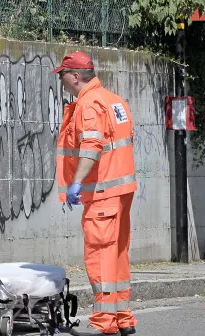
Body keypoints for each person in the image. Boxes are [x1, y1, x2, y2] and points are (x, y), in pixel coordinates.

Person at [52, 52, 137, 336]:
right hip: (121, 191)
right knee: (117, 254)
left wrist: (76, 183)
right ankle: (122, 317)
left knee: (100, 256)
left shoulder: (89, 104)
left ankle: (103, 323)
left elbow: (91, 146)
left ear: (75, 76)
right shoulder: (114, 100)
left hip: (102, 194)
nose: (61, 81)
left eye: (62, 75)